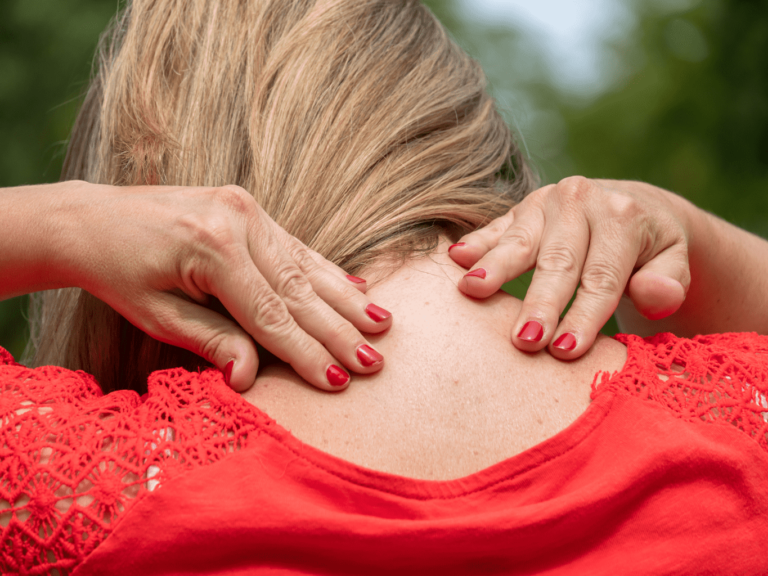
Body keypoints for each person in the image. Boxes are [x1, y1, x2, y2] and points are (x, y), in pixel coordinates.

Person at [1, 0, 767, 573]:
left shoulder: (63, 489)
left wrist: (60, 221)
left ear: (155, 179)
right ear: (469, 139)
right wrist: (692, 231)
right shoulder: (740, 435)